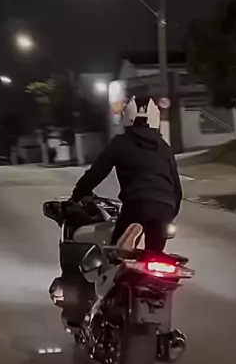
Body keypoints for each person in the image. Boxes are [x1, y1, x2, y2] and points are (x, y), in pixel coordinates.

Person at [71, 95, 182, 251]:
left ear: (127, 117)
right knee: (154, 254)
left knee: (116, 252)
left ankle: (120, 257)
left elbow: (97, 172)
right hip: (165, 206)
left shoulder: (121, 142)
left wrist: (78, 194)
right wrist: (169, 214)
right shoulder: (165, 147)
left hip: (136, 205)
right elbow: (177, 188)